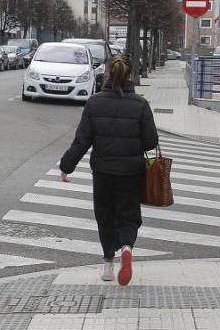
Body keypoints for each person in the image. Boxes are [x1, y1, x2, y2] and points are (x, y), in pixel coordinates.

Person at [58, 58, 158, 286]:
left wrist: (66, 167)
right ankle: (126, 248)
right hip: (131, 172)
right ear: (130, 77)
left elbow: (81, 141)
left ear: (107, 76)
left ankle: (108, 266)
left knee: (105, 217)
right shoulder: (140, 104)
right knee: (129, 215)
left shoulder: (94, 103)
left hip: (102, 172)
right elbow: (151, 142)